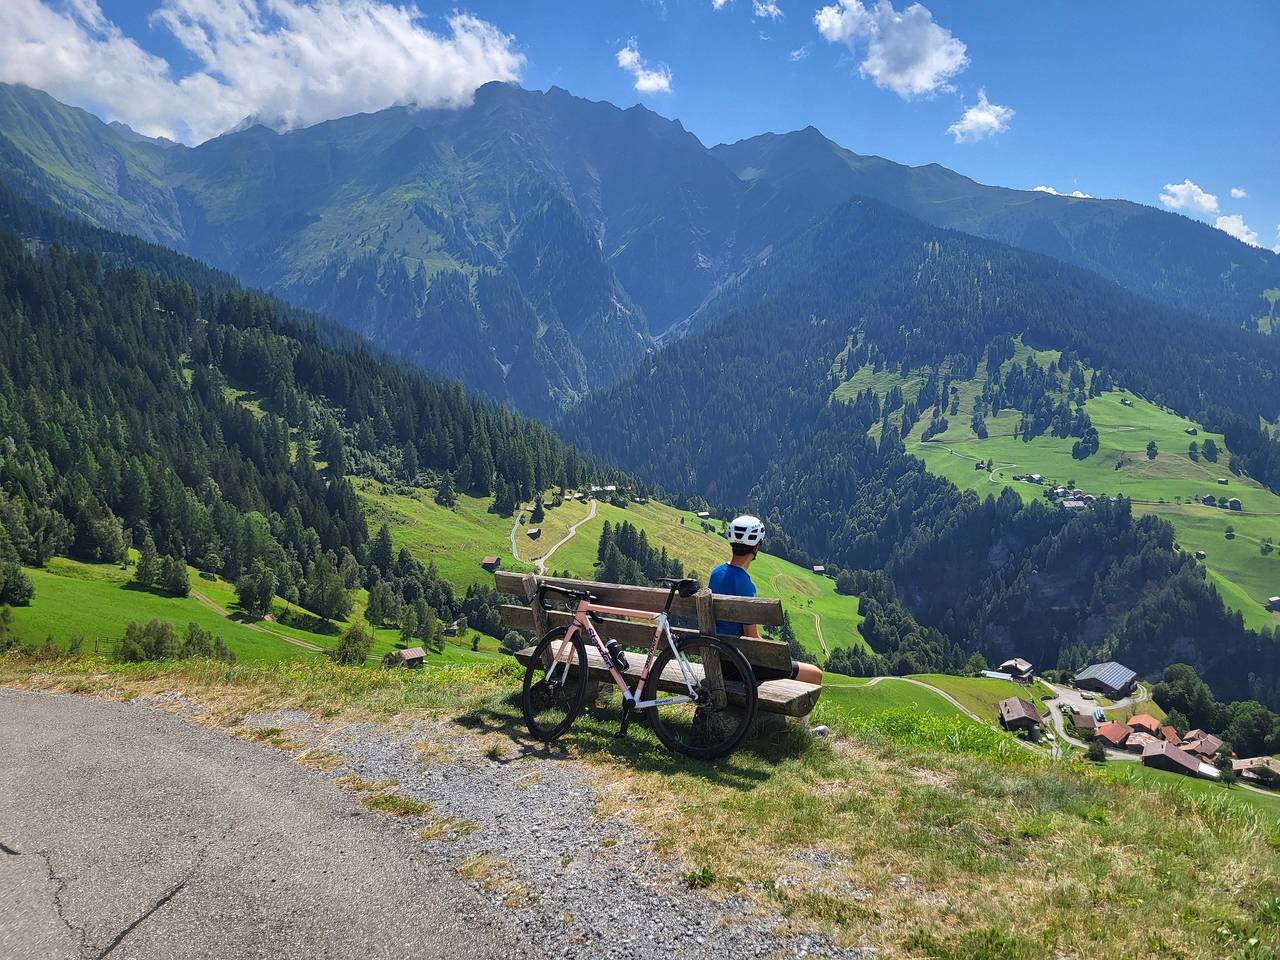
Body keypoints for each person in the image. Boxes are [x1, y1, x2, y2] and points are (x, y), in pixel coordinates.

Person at [708, 515, 823, 686]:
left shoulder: (716, 573)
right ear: (756, 546)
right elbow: (752, 638)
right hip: (738, 665)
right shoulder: (745, 585)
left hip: (715, 658)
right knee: (815, 674)